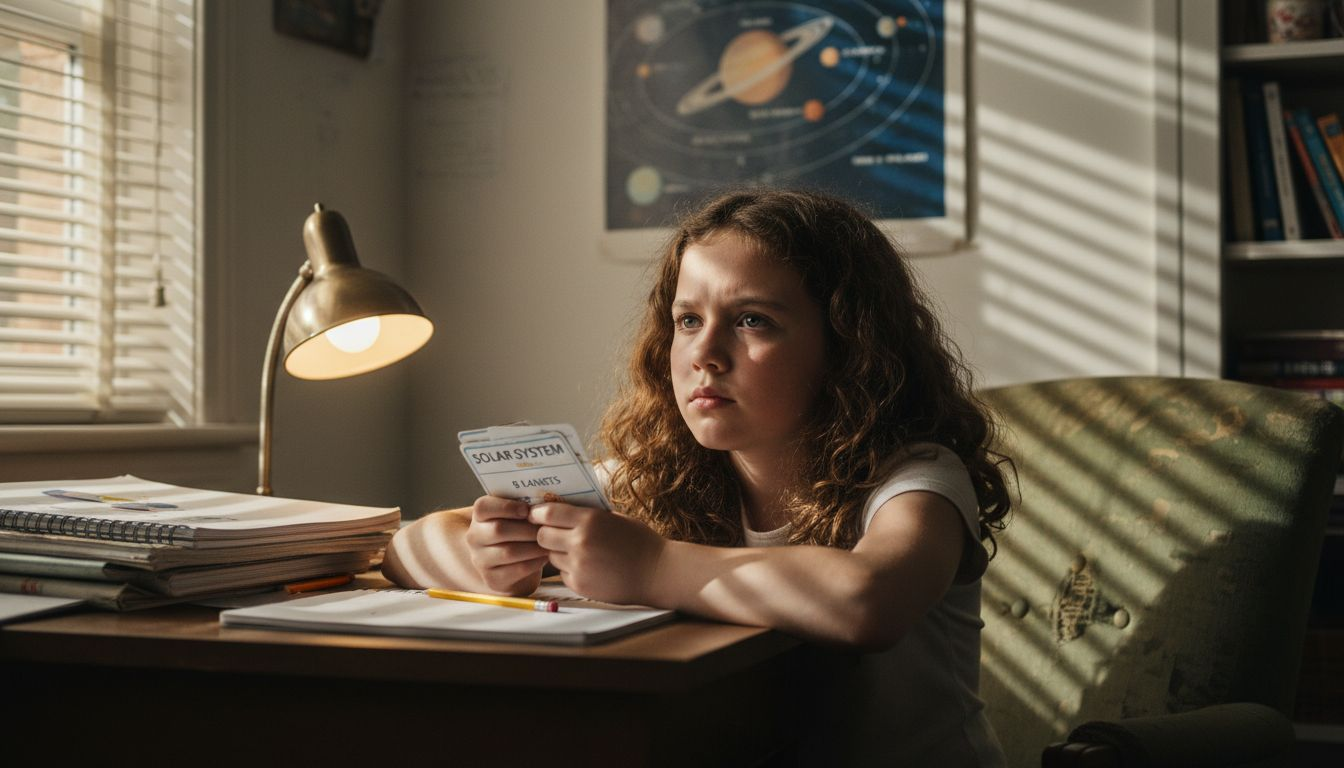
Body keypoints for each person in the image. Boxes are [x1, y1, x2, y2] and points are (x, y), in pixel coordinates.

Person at [383, 188, 1013, 766]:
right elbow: (409, 546)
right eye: (688, 321)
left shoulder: (917, 475)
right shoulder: (666, 471)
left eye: (752, 320)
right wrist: (492, 562)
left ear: (848, 343)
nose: (705, 354)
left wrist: (650, 566)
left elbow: (868, 602)